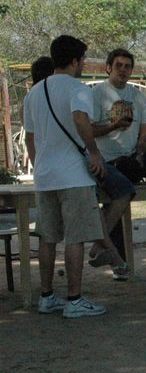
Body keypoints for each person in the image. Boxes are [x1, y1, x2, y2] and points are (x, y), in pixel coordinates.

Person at [23, 35, 108, 318]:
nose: (83, 64)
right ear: (74, 61)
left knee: (47, 237)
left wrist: (39, 165)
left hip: (45, 175)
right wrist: (94, 152)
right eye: (82, 59)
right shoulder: (78, 89)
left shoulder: (34, 92)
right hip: (73, 175)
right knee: (75, 237)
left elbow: (30, 137)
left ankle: (46, 296)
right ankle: (74, 299)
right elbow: (80, 118)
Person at [91, 48, 146, 280]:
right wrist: (114, 125)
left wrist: (140, 154)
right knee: (119, 192)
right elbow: (89, 129)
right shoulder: (96, 94)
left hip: (133, 156)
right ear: (109, 68)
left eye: (128, 66)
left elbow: (145, 131)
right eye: (119, 65)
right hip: (107, 160)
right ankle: (116, 258)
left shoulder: (137, 95)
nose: (123, 70)